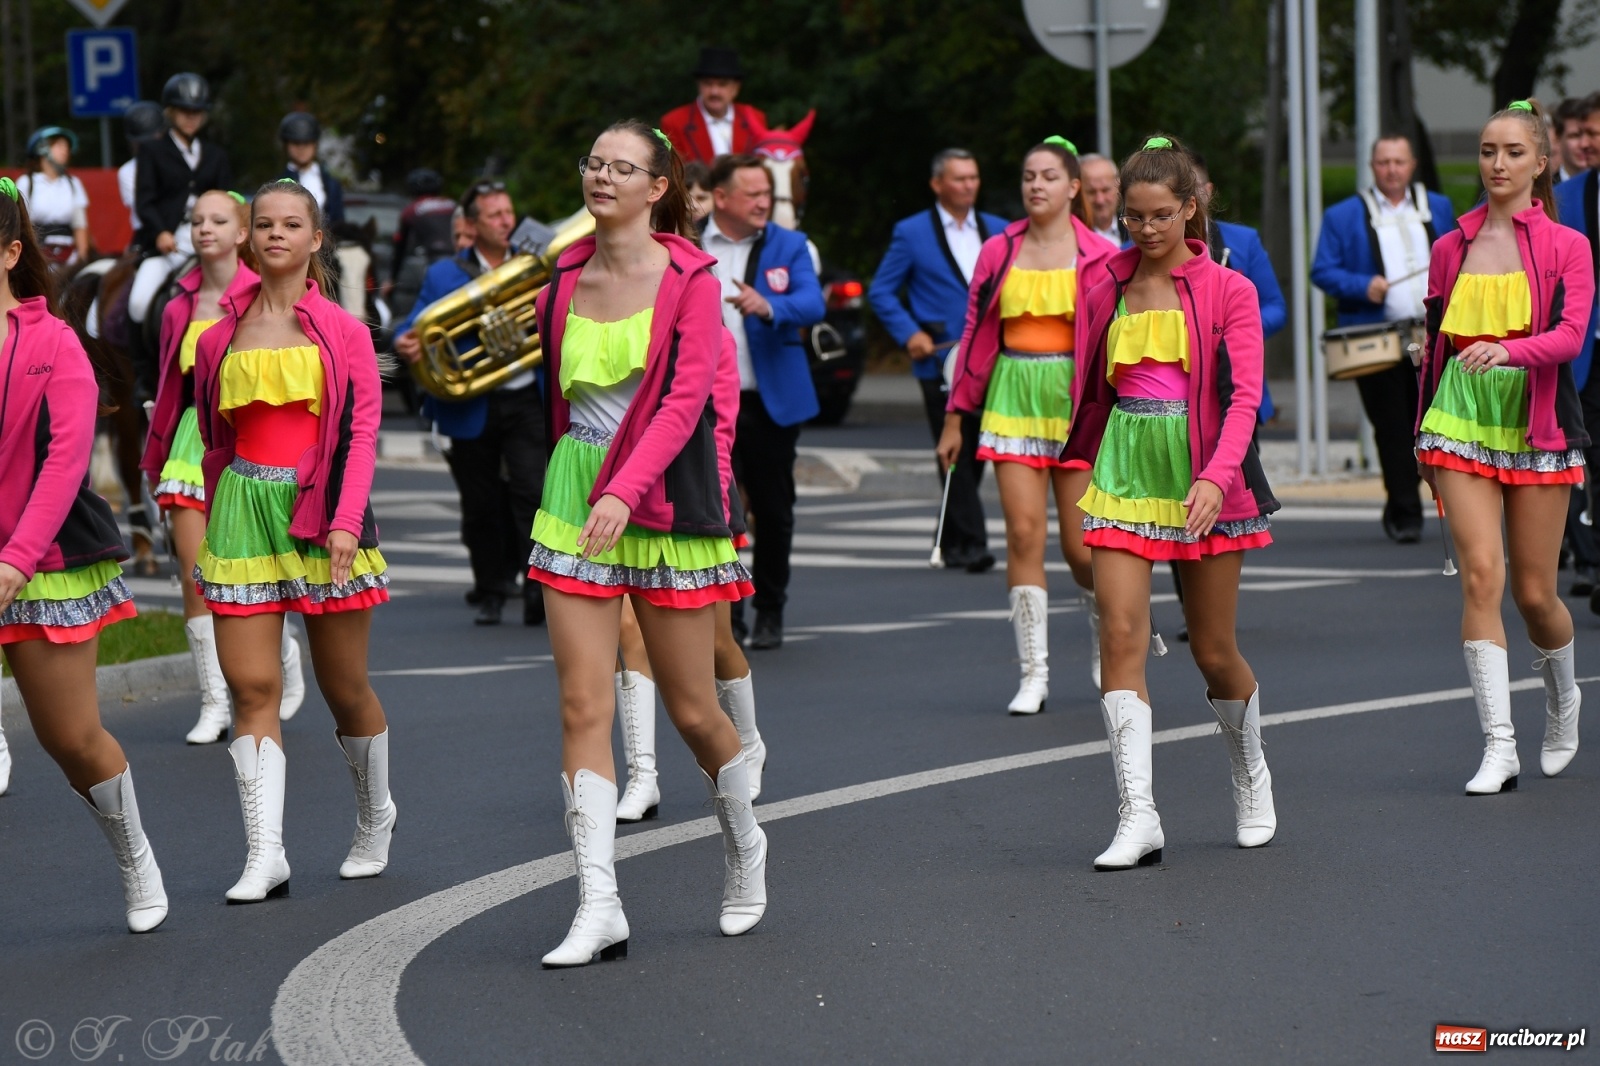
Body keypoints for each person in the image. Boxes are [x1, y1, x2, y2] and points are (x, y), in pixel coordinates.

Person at [528, 121, 766, 966]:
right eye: (592, 161)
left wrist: (625, 490)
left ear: (657, 186)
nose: (601, 176)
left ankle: (744, 841)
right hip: (575, 495)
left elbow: (683, 402)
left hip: (658, 496)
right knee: (581, 705)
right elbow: (559, 404)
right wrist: (583, 484)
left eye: (621, 167)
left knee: (693, 709)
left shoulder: (693, 280)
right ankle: (599, 903)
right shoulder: (559, 278)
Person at [1064, 134, 1279, 869]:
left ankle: (1249, 771)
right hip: (1126, 467)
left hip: (1201, 473)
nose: (1146, 230)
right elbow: (1091, 383)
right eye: (1133, 216)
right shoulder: (1102, 284)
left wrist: (1218, 478)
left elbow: (1246, 397)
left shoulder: (1230, 288)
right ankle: (1138, 816)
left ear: (1192, 208)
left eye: (1160, 215)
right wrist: (1079, 454)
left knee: (1214, 651)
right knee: (1120, 637)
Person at [191, 179, 395, 902]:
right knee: (252, 688)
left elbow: (363, 432)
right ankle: (264, 852)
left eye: (292, 225)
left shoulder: (343, 330)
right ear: (249, 238)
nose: (276, 234)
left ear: (316, 241)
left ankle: (375, 817)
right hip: (243, 515)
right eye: (265, 224)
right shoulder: (216, 337)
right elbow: (215, 440)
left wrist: (345, 518)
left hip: (323, 518)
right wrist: (217, 519)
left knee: (344, 689)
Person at [0, 178, 167, 932]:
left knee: (70, 740)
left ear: (10, 253)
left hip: (41, 558)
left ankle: (133, 851)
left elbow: (67, 461)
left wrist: (13, 562)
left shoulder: (52, 342)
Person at [1416, 100, 1593, 794]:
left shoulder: (1566, 245)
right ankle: (1498, 745)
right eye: (1488, 151)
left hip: (1536, 420)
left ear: (1541, 162)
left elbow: (1572, 337)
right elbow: (1432, 349)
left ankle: (1562, 697)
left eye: (1513, 152)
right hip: (1458, 416)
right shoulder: (1448, 247)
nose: (1497, 164)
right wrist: (1419, 439)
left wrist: (1512, 350)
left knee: (1534, 593)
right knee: (1482, 576)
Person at [937, 137, 1118, 713]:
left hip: (1075, 402)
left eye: (1047, 177)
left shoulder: (1100, 253)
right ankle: (1034, 674)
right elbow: (973, 335)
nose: (1035, 185)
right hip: (1012, 391)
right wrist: (954, 418)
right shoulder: (998, 249)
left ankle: (1103, 648)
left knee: (1081, 547)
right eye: (1027, 177)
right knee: (1021, 535)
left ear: (1072, 188)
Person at [140, 190, 305, 744]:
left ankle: (282, 652)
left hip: (251, 446)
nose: (204, 229)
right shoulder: (175, 303)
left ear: (242, 233)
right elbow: (169, 389)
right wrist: (154, 453)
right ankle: (214, 702)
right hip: (193, 440)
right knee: (197, 575)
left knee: (263, 573)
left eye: (217, 220)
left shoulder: (261, 295)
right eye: (195, 220)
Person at [395, 181, 548, 626]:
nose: (506, 221)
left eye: (508, 212)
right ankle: (492, 590)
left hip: (526, 400)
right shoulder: (445, 273)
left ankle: (537, 589)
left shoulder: (533, 261)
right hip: (472, 403)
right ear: (471, 225)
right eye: (495, 215)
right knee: (480, 505)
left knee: (532, 494)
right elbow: (417, 318)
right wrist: (407, 337)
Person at [702, 153, 826, 650]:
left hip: (768, 400)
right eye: (752, 194)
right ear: (720, 198)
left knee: (773, 511)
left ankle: (771, 608)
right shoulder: (689, 240)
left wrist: (769, 305)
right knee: (718, 512)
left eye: (766, 195)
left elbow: (813, 302)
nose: (763, 203)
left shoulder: (790, 244)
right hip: (707, 403)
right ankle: (727, 616)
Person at [1311, 133, 1457, 543]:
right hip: (1375, 338)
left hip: (1432, 338)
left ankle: (1433, 504)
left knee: (1436, 424)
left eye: (1399, 162)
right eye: (1383, 162)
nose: (1391, 170)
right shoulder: (1343, 215)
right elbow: (1322, 270)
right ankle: (1406, 512)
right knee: (1392, 427)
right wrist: (1362, 285)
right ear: (1372, 167)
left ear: (1412, 165)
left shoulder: (1438, 208)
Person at [869, 148, 1006, 571]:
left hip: (992, 361)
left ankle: (948, 535)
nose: (968, 185)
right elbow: (881, 291)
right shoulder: (911, 233)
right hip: (939, 361)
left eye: (973, 178)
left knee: (978, 446)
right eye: (959, 178)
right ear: (937, 184)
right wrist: (909, 333)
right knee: (954, 447)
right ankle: (974, 544)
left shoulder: (1000, 231)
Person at [129, 74, 233, 327]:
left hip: (210, 238)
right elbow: (145, 201)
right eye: (184, 111)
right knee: (138, 304)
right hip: (168, 241)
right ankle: (142, 366)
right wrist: (160, 233)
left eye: (196, 112)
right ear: (171, 112)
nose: (191, 117)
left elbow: (228, 201)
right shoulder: (152, 151)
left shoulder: (215, 155)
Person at [658, 48, 768, 164]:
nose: (714, 92)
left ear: (736, 88)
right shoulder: (674, 122)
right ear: (699, 85)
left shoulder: (755, 118)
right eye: (708, 84)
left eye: (722, 84)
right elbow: (675, 173)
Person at [19, 127, 91, 270]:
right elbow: (21, 224)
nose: (65, 151)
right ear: (42, 149)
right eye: (59, 146)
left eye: (67, 147)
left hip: (69, 256)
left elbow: (80, 225)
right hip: (37, 255)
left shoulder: (73, 184)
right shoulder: (26, 183)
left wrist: (82, 258)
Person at [387, 168, 457, 315]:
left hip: (431, 261)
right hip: (457, 258)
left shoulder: (411, 210)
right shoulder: (452, 205)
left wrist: (392, 279)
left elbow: (400, 247)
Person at [276, 112, 345, 226]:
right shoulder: (276, 184)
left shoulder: (332, 184)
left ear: (315, 144)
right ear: (286, 145)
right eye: (296, 143)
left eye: (307, 142)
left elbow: (339, 223)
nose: (301, 148)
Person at [117, 102, 167, 239]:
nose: (147, 147)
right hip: (150, 234)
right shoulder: (127, 171)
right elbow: (146, 210)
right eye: (140, 142)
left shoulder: (180, 160)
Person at [1079, 153, 1124, 245]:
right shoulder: (1070, 237)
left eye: (1105, 190)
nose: (1100, 200)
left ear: (1118, 187)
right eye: (1091, 192)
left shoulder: (1135, 229)